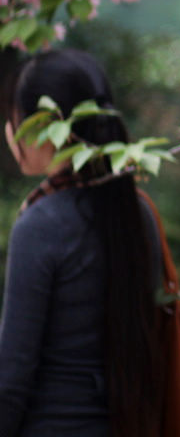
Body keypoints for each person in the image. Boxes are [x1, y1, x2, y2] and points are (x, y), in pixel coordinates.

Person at [0, 49, 164, 437]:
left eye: (13, 117)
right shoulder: (137, 213)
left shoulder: (42, 224)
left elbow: (11, 377)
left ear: (41, 127)